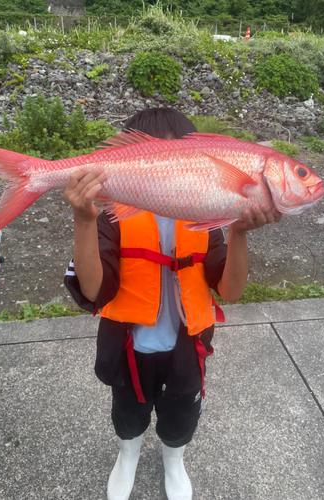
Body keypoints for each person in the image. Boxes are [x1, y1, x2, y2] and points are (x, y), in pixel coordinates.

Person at [64, 108, 281, 500]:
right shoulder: (113, 215)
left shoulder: (206, 216)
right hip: (128, 348)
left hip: (185, 349)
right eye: (152, 156)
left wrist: (238, 233)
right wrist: (83, 218)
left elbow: (230, 292)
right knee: (128, 415)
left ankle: (173, 460)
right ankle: (127, 453)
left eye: (175, 158)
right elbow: (94, 290)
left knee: (181, 416)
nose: (165, 167)